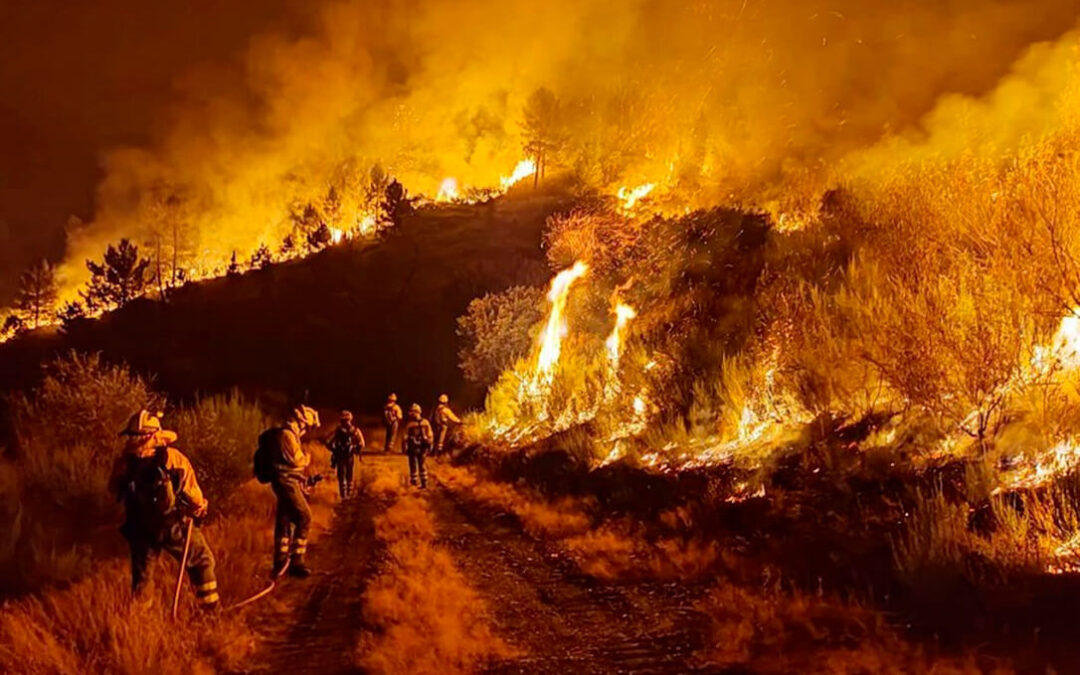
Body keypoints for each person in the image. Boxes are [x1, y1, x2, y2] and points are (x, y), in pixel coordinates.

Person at [109, 410, 219, 609]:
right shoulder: (172, 458)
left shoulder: (124, 462)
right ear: (156, 434)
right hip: (172, 524)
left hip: (139, 529)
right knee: (202, 560)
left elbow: (114, 490)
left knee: (142, 581)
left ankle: (138, 625)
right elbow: (193, 494)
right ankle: (210, 612)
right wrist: (200, 508)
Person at [260, 405, 320, 578]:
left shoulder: (289, 435)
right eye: (308, 427)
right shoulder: (287, 436)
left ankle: (280, 562)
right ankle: (296, 561)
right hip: (286, 482)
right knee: (304, 516)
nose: (308, 430)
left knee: (284, 519)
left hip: (287, 480)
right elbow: (296, 461)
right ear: (303, 422)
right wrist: (306, 459)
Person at [329, 410, 364, 498]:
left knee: (343, 476)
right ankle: (348, 495)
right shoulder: (355, 430)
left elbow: (328, 442)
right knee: (349, 475)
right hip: (348, 456)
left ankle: (344, 495)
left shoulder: (338, 431)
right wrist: (356, 449)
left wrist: (334, 450)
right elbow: (362, 444)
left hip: (342, 456)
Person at [402, 403, 434, 488]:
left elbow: (430, 434)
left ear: (417, 412)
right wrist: (405, 446)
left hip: (421, 447)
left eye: (413, 412)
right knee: (413, 464)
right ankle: (414, 482)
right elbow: (405, 437)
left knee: (421, 464)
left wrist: (429, 443)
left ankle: (424, 483)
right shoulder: (411, 424)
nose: (411, 414)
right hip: (413, 447)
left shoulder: (423, 423)